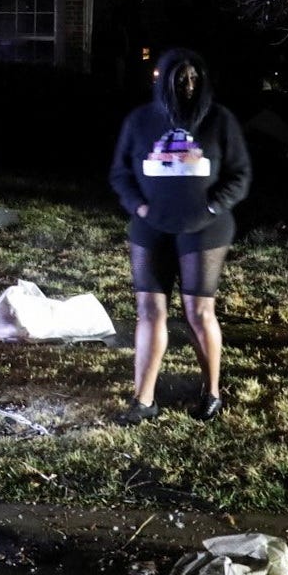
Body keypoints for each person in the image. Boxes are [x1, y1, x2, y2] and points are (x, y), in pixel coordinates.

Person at [108, 48, 251, 423]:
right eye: (180, 79)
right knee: (149, 311)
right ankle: (144, 400)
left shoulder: (219, 121)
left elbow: (239, 175)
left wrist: (209, 208)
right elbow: (121, 173)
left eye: (194, 79)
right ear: (164, 81)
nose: (188, 86)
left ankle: (212, 392)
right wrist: (139, 207)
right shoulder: (141, 121)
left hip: (204, 229)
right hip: (150, 227)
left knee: (198, 312)